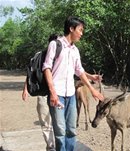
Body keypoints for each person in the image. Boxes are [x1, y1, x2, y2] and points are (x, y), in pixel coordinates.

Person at [42, 16, 104, 151]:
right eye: (80, 30)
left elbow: (79, 71)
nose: (82, 34)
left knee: (71, 130)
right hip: (56, 94)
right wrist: (52, 92)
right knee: (60, 132)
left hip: (70, 95)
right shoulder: (55, 45)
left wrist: (92, 89)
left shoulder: (75, 50)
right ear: (71, 29)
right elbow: (46, 67)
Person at [22, 34, 59, 151]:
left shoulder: (62, 56)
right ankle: (50, 146)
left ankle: (60, 146)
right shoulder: (39, 56)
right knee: (45, 121)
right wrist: (25, 89)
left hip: (59, 93)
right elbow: (30, 73)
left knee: (59, 123)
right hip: (43, 93)